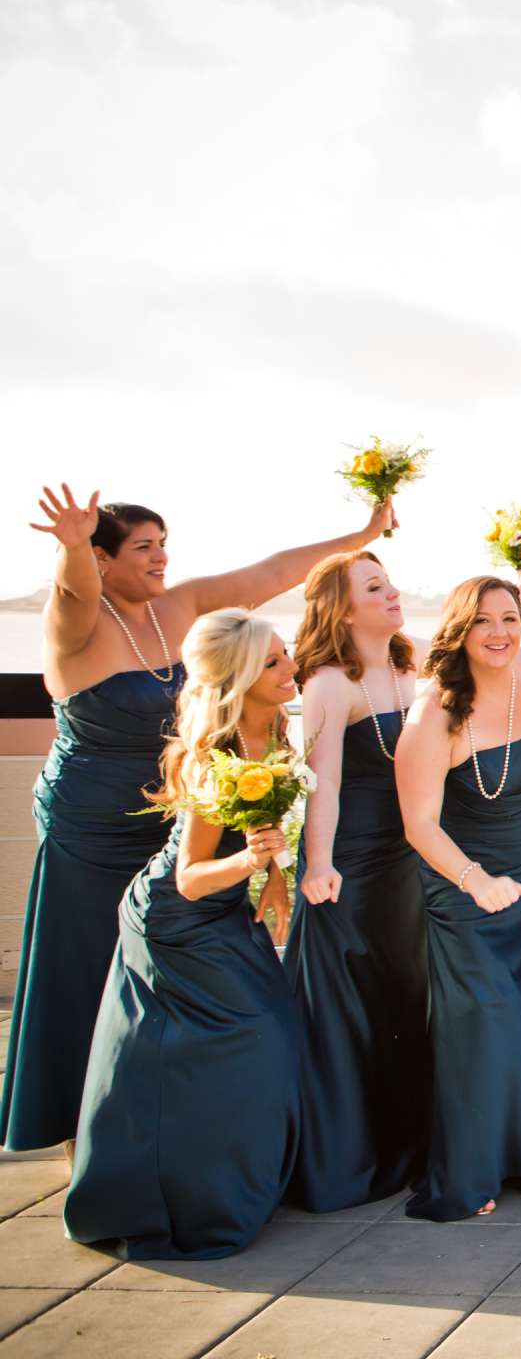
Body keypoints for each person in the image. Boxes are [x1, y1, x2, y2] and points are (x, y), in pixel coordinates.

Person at [7, 485, 391, 1156]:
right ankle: (81, 1129)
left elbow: (268, 574)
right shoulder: (78, 624)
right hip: (89, 824)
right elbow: (71, 594)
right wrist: (71, 548)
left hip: (179, 811)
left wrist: (360, 534)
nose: (160, 558)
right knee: (85, 968)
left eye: (163, 544)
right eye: (143, 548)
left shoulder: (176, 606)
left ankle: (167, 1113)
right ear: (101, 560)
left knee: (168, 965)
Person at [63, 609, 303, 1259]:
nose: (290, 669)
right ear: (241, 677)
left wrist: (274, 876)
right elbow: (193, 876)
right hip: (175, 918)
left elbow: (262, 827)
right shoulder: (215, 758)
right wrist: (253, 862)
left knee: (270, 1034)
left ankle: (230, 1183)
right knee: (245, 1039)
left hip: (224, 909)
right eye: (274, 662)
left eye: (285, 656)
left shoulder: (274, 732)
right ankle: (170, 1197)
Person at [396, 576, 521, 1220]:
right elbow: (419, 825)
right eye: (483, 622)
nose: (501, 632)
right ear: (458, 630)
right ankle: (470, 1170)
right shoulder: (434, 714)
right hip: (473, 893)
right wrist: (480, 883)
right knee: (485, 1028)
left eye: (510, 617)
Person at [286, 550, 430, 1212]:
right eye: (375, 587)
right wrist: (318, 864)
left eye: (390, 580)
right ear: (341, 609)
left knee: (407, 1003)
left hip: (412, 867)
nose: (392, 592)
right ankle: (349, 1158)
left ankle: (412, 1147)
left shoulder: (411, 664)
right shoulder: (327, 684)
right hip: (353, 869)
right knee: (353, 1013)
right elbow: (325, 787)